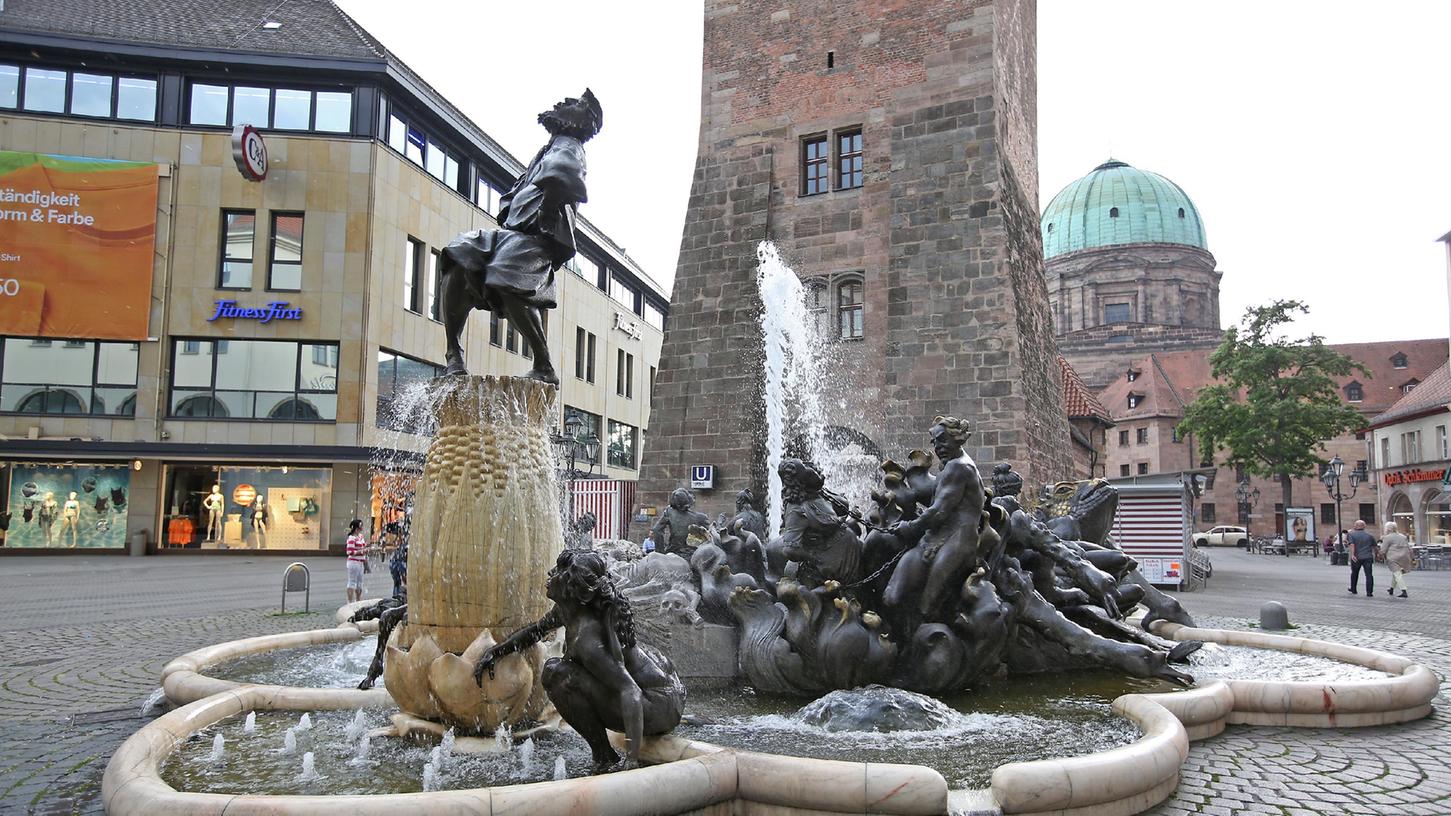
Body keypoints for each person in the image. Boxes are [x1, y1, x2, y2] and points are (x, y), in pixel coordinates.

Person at [1378, 522, 1412, 598]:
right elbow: (1408, 547)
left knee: (1397, 574)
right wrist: (1412, 557)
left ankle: (1404, 591)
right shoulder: (1403, 536)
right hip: (1404, 556)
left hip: (1393, 557)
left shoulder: (1387, 537)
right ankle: (1391, 588)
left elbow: (1383, 550)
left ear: (1387, 529)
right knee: (1396, 573)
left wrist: (1380, 554)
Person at [1346, 519, 1377, 597]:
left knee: (1355, 573)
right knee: (1369, 574)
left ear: (1355, 526)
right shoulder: (1369, 535)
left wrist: (1352, 555)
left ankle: (1353, 589)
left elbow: (1352, 545)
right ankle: (1369, 592)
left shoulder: (1351, 534)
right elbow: (1374, 546)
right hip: (1368, 557)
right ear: (1364, 526)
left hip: (1357, 557)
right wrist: (1377, 554)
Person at [345, 519, 367, 603]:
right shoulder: (351, 538)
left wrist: (366, 549)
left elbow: (363, 547)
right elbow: (349, 552)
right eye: (361, 526)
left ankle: (358, 600)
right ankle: (350, 601)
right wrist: (361, 551)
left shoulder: (360, 536)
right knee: (352, 581)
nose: (362, 528)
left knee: (360, 582)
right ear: (356, 528)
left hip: (360, 562)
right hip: (353, 562)